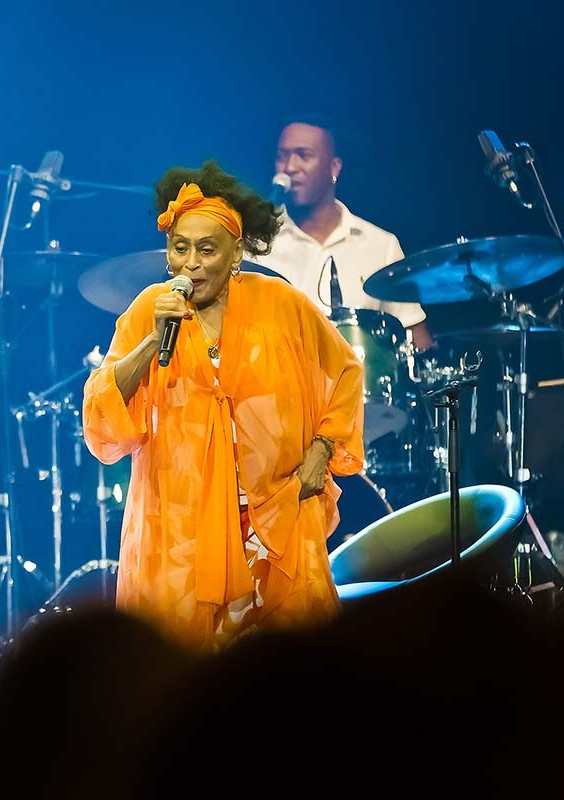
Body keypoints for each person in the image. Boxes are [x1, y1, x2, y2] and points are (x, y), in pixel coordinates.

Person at [81, 161, 364, 650]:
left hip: (275, 521)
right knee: (186, 672)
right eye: (180, 247)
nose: (191, 262)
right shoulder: (149, 309)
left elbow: (345, 372)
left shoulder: (281, 303)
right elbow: (100, 416)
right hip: (181, 534)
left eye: (207, 249)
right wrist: (151, 342)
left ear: (236, 254)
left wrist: (321, 451)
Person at [250, 114, 432, 350]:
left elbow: (415, 336)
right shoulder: (255, 242)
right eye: (282, 157)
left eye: (303, 156)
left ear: (334, 167)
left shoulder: (381, 245)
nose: (289, 168)